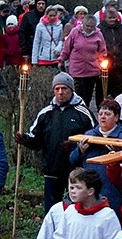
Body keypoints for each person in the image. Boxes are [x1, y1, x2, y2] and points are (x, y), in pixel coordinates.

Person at [15, 72, 96, 213]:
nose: (60, 93)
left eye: (64, 89)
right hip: (52, 169)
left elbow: (93, 139)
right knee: (52, 211)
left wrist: (74, 147)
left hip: (76, 172)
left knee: (75, 210)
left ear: (71, 90)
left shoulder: (83, 113)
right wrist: (25, 140)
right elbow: (37, 140)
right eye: (57, 89)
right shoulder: (46, 113)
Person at [70, 99, 122, 219]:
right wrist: (81, 150)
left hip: (113, 192)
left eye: (108, 114)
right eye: (100, 114)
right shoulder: (89, 134)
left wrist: (118, 154)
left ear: (116, 117)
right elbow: (72, 161)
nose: (103, 117)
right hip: (90, 190)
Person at [58, 14, 107, 107]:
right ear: (83, 25)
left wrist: (102, 62)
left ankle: (85, 113)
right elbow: (67, 48)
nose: (89, 28)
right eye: (87, 26)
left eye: (91, 26)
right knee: (78, 95)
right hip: (77, 70)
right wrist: (61, 59)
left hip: (92, 70)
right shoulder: (75, 32)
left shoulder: (98, 34)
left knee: (87, 96)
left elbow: (102, 51)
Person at [98, 7, 122, 98]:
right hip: (105, 61)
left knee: (118, 85)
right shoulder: (100, 28)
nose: (112, 20)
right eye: (110, 18)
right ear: (105, 18)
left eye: (113, 18)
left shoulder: (120, 27)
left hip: (118, 61)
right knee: (103, 86)